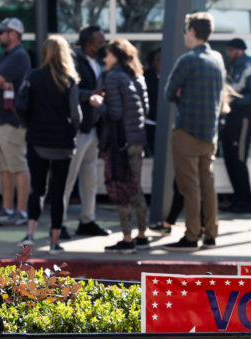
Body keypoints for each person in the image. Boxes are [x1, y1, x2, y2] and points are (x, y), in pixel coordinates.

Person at [162, 12, 225, 250]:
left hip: (187, 131)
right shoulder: (218, 58)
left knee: (190, 187)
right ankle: (210, 234)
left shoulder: (187, 60)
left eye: (185, 31)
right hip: (210, 133)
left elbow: (169, 92)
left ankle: (190, 236)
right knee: (207, 185)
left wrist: (181, 93)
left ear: (191, 32)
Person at [16, 35, 82, 254]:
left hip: (38, 140)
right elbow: (75, 115)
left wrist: (29, 125)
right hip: (63, 142)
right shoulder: (69, 81)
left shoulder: (33, 77)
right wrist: (72, 131)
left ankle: (30, 235)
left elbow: (20, 106)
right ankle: (55, 241)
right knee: (58, 192)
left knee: (38, 189)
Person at [92, 38, 150, 254]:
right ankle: (142, 236)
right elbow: (145, 109)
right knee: (136, 188)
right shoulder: (138, 77)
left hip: (120, 144)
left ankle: (127, 240)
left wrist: (99, 104)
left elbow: (115, 113)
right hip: (137, 140)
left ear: (116, 56)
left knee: (121, 188)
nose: (104, 59)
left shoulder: (114, 77)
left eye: (107, 54)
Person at [0, 17, 32, 226]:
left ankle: (22, 212)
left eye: (2, 32)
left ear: (14, 35)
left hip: (10, 122)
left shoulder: (19, 56)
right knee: (4, 168)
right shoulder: (4, 57)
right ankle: (7, 209)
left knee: (18, 166)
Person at [60, 25, 110, 239]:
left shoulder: (98, 61)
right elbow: (67, 90)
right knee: (68, 178)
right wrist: (90, 95)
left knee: (90, 179)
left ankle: (87, 220)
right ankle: (58, 223)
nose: (104, 45)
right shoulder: (73, 61)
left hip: (94, 128)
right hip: (77, 128)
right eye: (100, 42)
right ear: (89, 45)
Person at [220, 37, 251, 214]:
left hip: (243, 121)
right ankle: (237, 200)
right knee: (230, 160)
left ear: (240, 51)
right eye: (227, 50)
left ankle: (246, 202)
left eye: (231, 50)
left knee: (239, 160)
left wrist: (233, 101)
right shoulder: (233, 68)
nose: (228, 53)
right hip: (230, 121)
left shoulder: (249, 67)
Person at [144, 47, 161, 155]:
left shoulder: (172, 76)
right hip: (151, 123)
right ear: (152, 61)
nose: (161, 62)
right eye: (158, 59)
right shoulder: (146, 78)